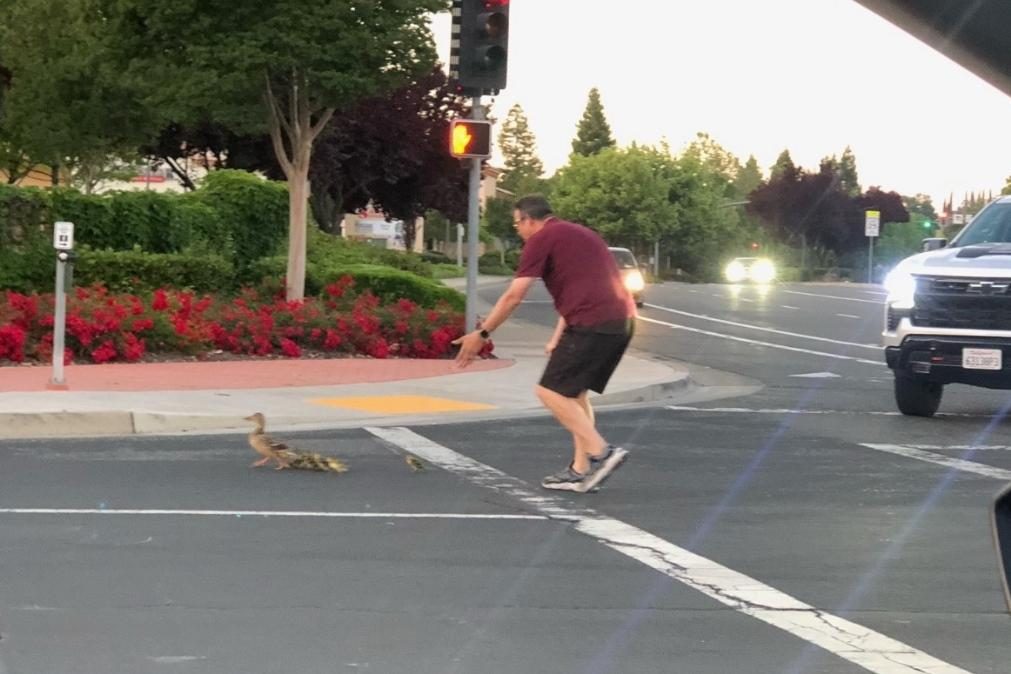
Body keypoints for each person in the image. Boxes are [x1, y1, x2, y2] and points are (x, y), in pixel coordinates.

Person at [453, 194, 635, 493]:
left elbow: (515, 295)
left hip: (593, 323)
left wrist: (482, 334)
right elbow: (587, 286)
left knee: (548, 391)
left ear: (529, 220)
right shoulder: (582, 234)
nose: (518, 230)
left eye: (517, 224)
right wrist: (557, 336)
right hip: (620, 322)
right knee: (574, 394)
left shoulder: (541, 238)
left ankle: (603, 453)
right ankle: (580, 470)